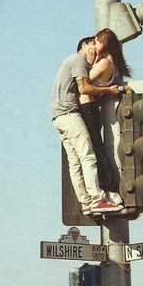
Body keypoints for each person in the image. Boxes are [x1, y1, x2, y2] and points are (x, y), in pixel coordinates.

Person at [51, 37, 124, 215]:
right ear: (84, 46)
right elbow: (83, 88)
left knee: (75, 162)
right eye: (92, 46)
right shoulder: (78, 60)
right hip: (70, 115)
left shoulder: (70, 61)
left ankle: (85, 202)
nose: (94, 52)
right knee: (88, 157)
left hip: (57, 117)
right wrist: (108, 90)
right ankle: (98, 200)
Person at [79, 28, 132, 206]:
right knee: (96, 148)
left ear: (105, 44)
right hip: (92, 107)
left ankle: (109, 188)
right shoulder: (111, 64)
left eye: (97, 41)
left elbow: (83, 83)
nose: (95, 44)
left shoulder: (104, 64)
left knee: (95, 150)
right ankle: (108, 188)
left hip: (87, 106)